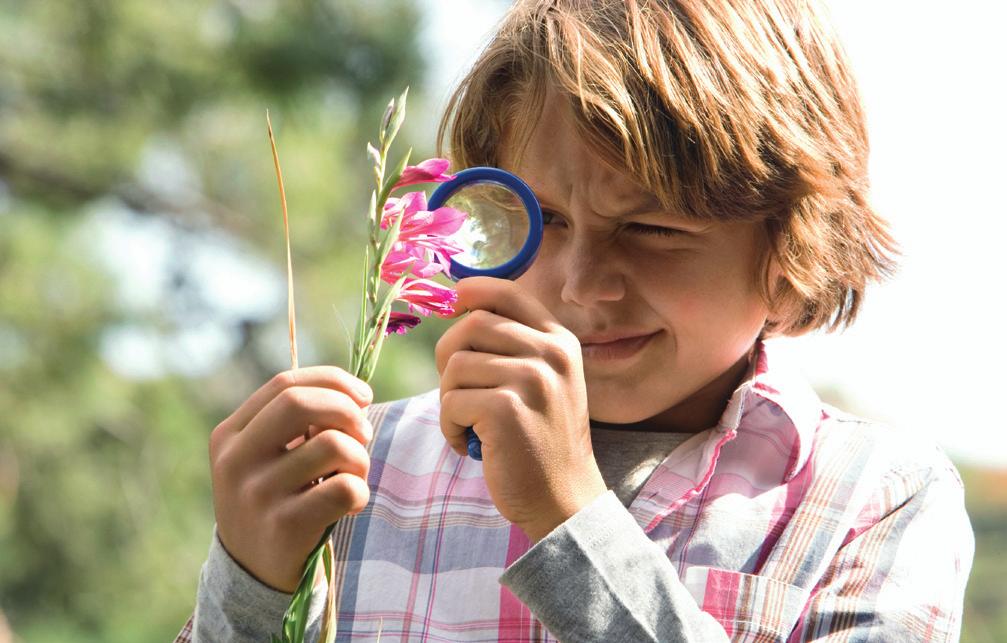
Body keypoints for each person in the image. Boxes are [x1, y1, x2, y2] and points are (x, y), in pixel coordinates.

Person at [175, 0, 974, 640]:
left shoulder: (874, 496)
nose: (584, 286)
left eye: (655, 228)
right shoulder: (361, 472)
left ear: (791, 242)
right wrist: (245, 590)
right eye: (542, 218)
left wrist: (573, 521)